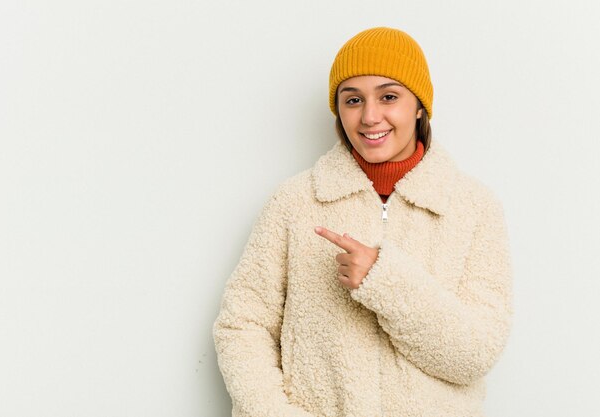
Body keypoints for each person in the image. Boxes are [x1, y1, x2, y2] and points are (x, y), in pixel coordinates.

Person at [213, 26, 513, 417]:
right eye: (352, 99)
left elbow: (474, 354)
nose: (370, 117)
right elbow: (242, 327)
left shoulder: (474, 208)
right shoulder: (293, 202)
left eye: (389, 96)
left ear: (419, 105)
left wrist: (383, 279)